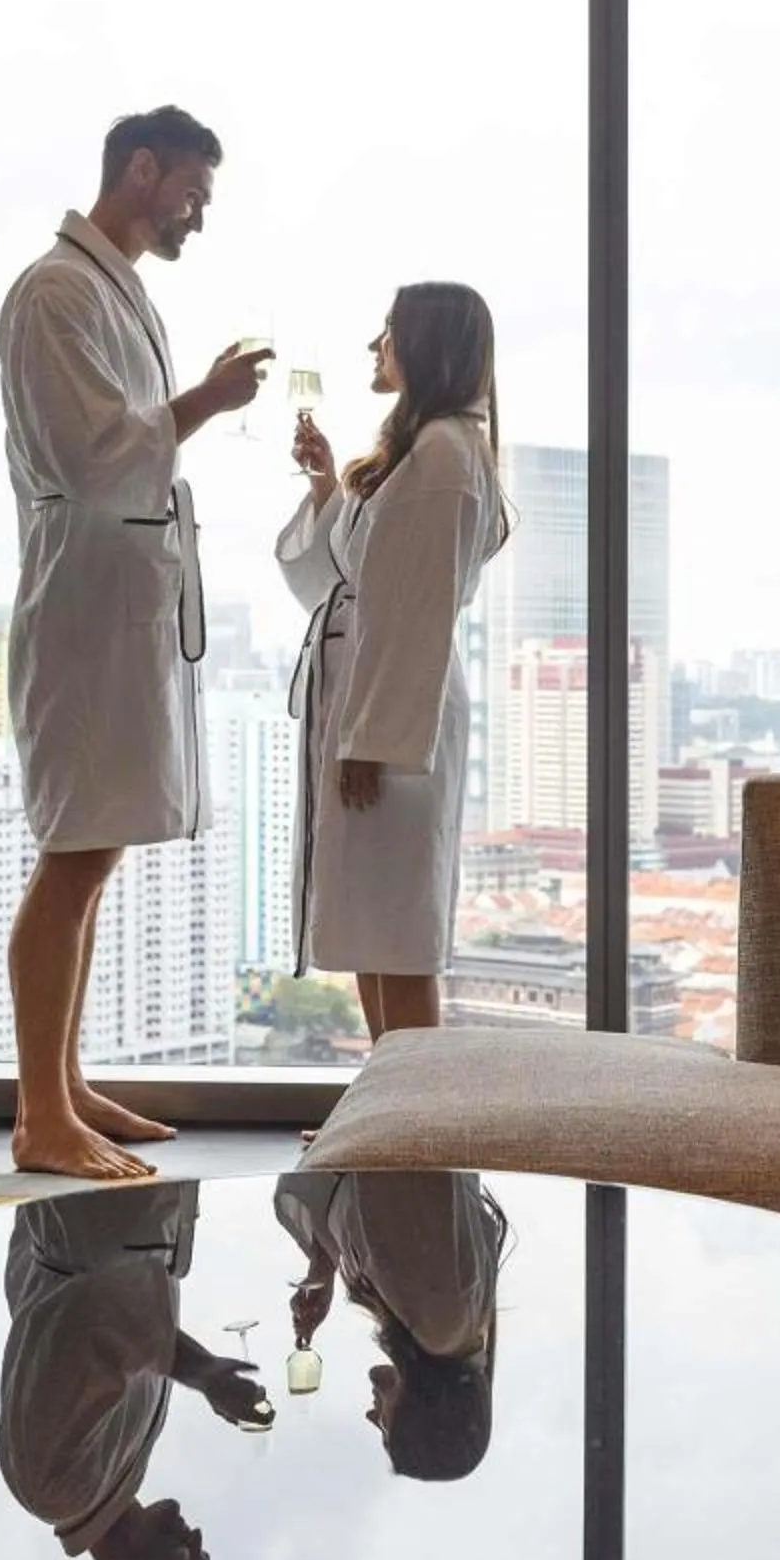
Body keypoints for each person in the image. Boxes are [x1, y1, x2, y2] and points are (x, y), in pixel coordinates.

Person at [1, 107, 270, 1179]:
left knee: (94, 852)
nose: (197, 219)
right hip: (83, 603)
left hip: (121, 598)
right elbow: (93, 452)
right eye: (192, 195)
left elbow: (121, 449)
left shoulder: (112, 289)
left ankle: (63, 1085)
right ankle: (38, 1116)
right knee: (72, 853)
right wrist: (202, 399)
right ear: (141, 169)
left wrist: (191, 396)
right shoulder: (53, 291)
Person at [276, 283, 509, 1037]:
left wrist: (371, 741)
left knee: (399, 930)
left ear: (427, 344)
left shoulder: (443, 453)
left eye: (388, 331)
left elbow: (415, 613)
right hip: (382, 705)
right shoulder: (434, 446)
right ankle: (387, 1106)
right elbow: (365, 571)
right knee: (375, 921)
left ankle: (411, 1119)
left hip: (394, 719)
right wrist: (326, 482)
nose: (376, 346)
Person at [0, 1186, 272, 1560]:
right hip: (125, 1199)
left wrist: (201, 1372)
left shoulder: (52, 1487)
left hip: (93, 1198)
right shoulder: (120, 1471)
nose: (196, 1537)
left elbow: (88, 1317)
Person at [274, 1168, 506, 1483]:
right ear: (425, 1421)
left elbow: (374, 1209)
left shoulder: (450, 1327)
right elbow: (387, 1160)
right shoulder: (440, 1319)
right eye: (385, 1432)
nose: (373, 1418)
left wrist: (325, 1264)